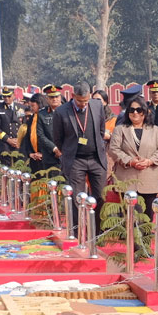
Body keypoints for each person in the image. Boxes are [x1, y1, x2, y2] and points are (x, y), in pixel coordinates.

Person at [51, 82, 110, 226]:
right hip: (75, 160)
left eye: (86, 101)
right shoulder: (61, 112)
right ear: (73, 96)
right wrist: (67, 152)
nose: (83, 104)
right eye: (79, 101)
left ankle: (97, 231)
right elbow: (58, 138)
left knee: (100, 196)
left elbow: (101, 130)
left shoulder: (97, 106)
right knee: (77, 199)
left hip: (96, 158)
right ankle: (79, 232)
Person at [109, 94, 158, 207]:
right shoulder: (120, 129)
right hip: (126, 180)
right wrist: (130, 161)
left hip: (149, 180)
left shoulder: (155, 130)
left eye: (138, 110)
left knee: (148, 215)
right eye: (132, 110)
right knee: (128, 215)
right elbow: (113, 149)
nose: (135, 112)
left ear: (144, 112)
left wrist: (149, 161)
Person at [18, 93, 57, 175]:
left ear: (40, 104)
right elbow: (28, 138)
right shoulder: (32, 118)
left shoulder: (47, 117)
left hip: (48, 156)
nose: (31, 108)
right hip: (34, 157)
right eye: (30, 106)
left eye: (33, 106)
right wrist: (30, 153)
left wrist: (43, 153)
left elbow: (47, 137)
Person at [0, 86, 20, 163]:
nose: (6, 98)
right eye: (4, 96)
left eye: (9, 96)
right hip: (5, 144)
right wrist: (8, 140)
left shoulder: (21, 107)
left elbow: (25, 126)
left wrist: (19, 140)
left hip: (19, 143)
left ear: (14, 96)